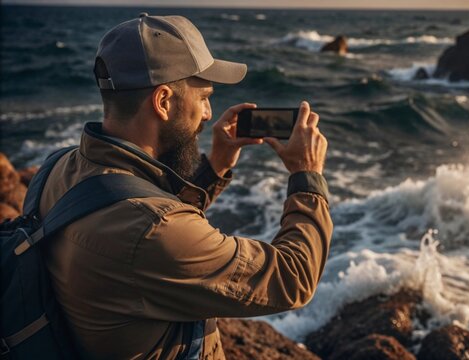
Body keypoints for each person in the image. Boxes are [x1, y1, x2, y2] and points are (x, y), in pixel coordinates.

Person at [39, 13, 332, 359]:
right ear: (163, 102)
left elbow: (147, 220)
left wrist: (217, 165)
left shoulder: (57, 168)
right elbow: (293, 276)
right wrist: (307, 175)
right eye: (204, 97)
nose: (208, 113)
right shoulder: (151, 232)